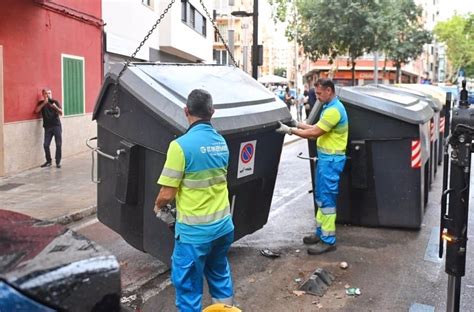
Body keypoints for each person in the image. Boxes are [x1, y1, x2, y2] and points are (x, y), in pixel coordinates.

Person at [154, 89, 235, 311]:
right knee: (219, 276)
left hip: (194, 234)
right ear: (212, 112)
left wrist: (158, 206)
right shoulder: (221, 142)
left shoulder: (180, 146)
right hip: (223, 227)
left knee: (189, 287)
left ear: (186, 111)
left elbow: (167, 193)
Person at [275, 78, 348, 255]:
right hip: (326, 160)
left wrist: (290, 131)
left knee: (327, 200)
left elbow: (314, 133)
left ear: (329, 91)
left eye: (319, 93)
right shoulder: (328, 107)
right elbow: (315, 127)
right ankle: (320, 233)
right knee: (321, 198)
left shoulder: (334, 111)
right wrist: (296, 123)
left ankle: (328, 240)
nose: (317, 96)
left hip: (331, 161)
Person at [35, 88, 63, 168]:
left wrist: (55, 107)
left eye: (49, 93)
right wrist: (44, 103)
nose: (48, 95)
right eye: (46, 93)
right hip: (47, 127)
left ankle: (58, 162)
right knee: (46, 145)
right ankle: (48, 161)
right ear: (43, 95)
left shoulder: (55, 102)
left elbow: (61, 113)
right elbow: (36, 111)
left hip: (56, 126)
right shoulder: (41, 103)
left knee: (58, 144)